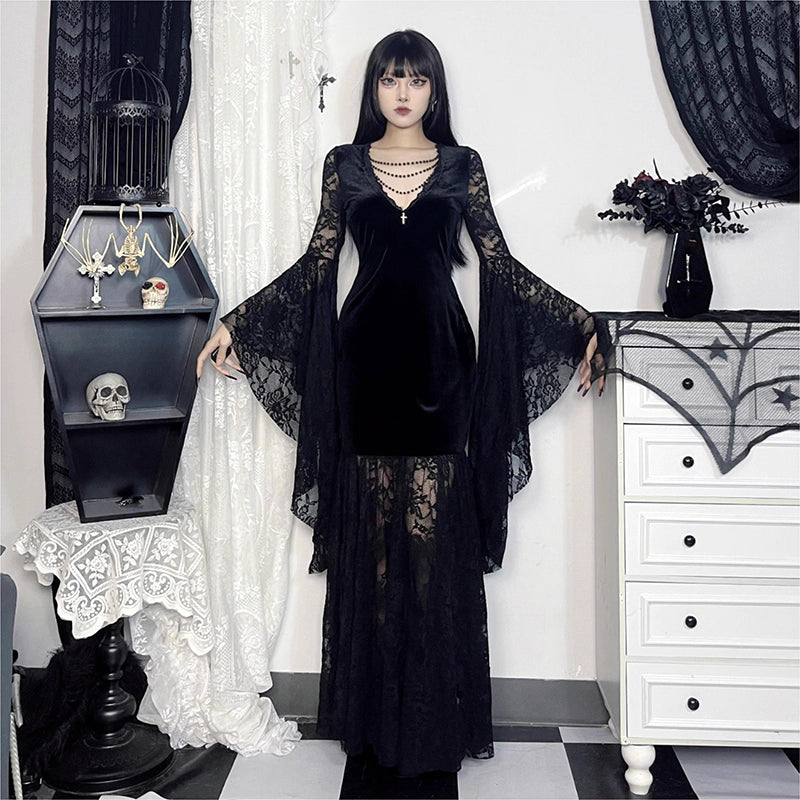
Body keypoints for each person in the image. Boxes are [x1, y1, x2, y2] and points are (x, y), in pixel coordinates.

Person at [197, 29, 605, 777]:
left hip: (442, 367)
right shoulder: (345, 165)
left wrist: (582, 323)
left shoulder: (462, 165)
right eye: (391, 78)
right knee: (376, 548)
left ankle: (434, 720)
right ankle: (378, 722)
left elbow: (501, 266)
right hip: (365, 369)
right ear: (375, 89)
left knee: (432, 547)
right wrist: (239, 324)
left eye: (417, 79)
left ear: (434, 90)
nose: (404, 92)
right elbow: (317, 264)